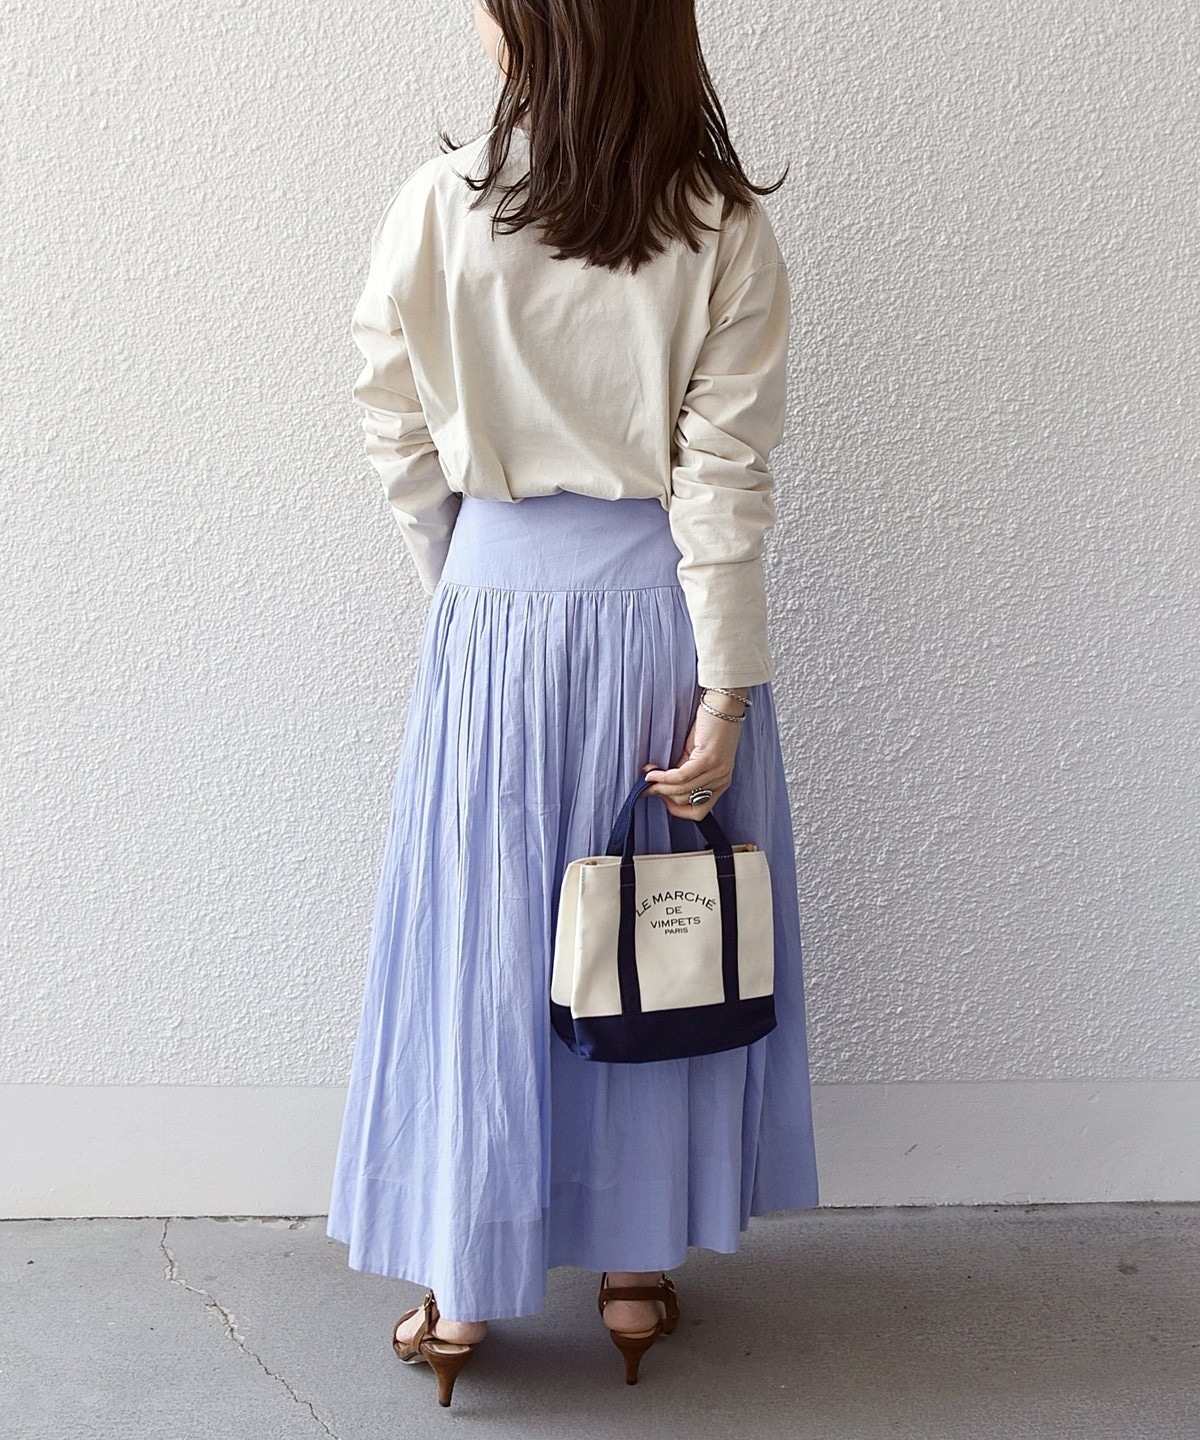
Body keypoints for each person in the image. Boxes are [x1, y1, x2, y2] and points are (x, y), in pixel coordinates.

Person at [326, 0, 820, 1407]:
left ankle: (460, 1285)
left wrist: (468, 581)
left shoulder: (439, 205)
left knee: (487, 936)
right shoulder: (720, 223)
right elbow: (725, 476)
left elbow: (392, 420)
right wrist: (725, 690)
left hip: (495, 619)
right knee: (651, 928)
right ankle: (634, 1270)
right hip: (662, 621)